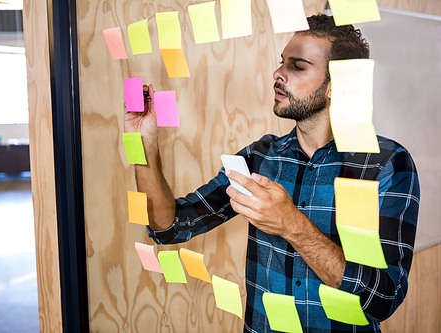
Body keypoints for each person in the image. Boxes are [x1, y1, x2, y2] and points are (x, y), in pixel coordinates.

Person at [123, 13, 420, 333]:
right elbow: (169, 226)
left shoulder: (387, 164)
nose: (278, 73)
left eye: (297, 66)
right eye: (282, 62)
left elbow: (383, 299)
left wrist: (293, 225)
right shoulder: (260, 157)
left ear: (338, 85)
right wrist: (144, 144)